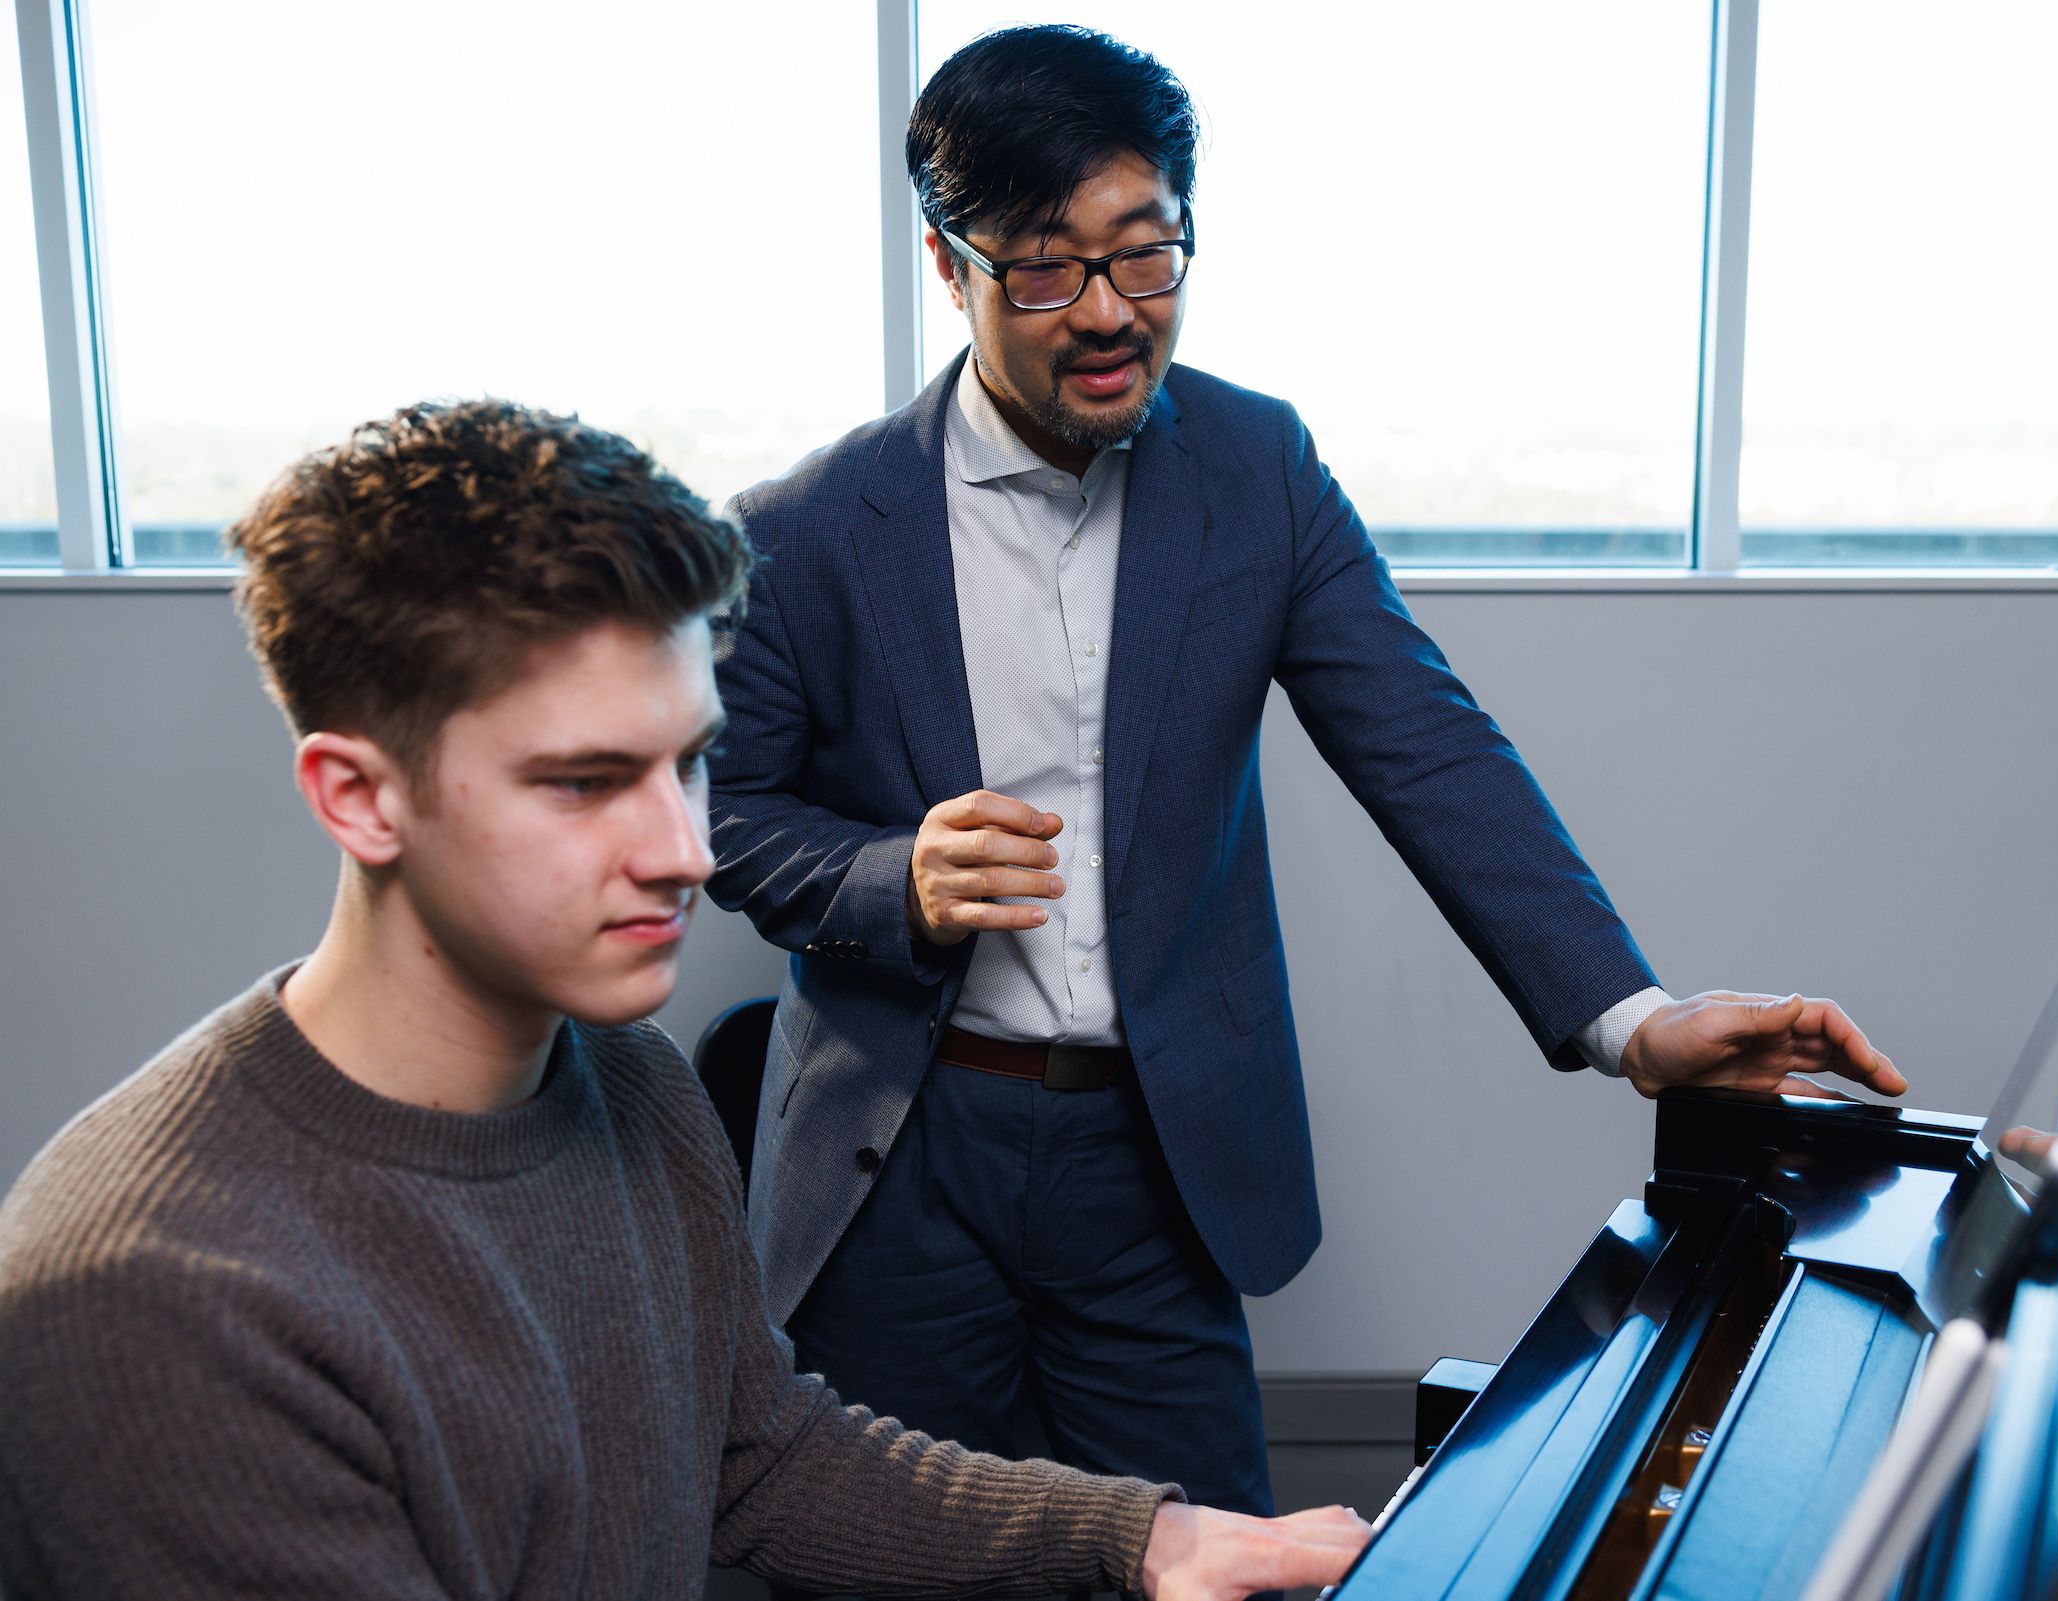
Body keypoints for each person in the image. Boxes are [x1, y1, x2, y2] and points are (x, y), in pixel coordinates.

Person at [708, 25, 1906, 1518]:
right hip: (902, 1166)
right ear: (949, 268)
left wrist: (1634, 1021)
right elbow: (729, 821)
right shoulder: (806, 526)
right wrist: (895, 880)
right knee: (886, 1556)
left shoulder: (1257, 469)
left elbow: (1428, 743)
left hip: (1156, 1164)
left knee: (1216, 1555)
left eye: (1147, 256)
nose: (1107, 311)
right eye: (1044, 266)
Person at [0, 400, 1367, 1599]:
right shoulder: (155, 1302)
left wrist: (1142, 1538)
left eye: (691, 762)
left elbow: (754, 1454)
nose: (687, 850)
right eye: (586, 781)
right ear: (358, 796)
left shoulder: (632, 1081)